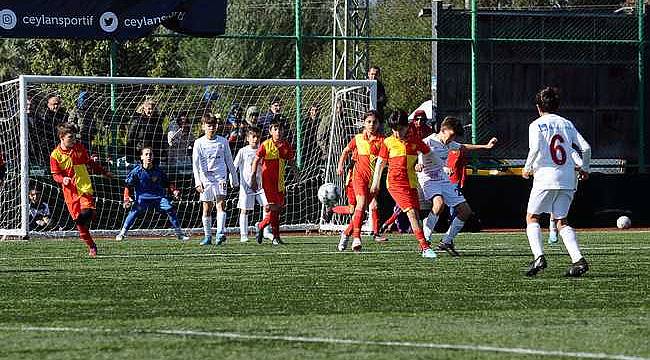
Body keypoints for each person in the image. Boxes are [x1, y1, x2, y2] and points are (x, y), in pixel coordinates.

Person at [522, 86, 590, 277]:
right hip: (567, 178)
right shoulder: (567, 123)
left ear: (538, 107)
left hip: (545, 177)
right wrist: (585, 168)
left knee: (532, 217)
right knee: (561, 220)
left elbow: (534, 148)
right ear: (557, 105)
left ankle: (539, 256)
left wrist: (527, 168)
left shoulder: (535, 125)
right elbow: (586, 147)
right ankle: (578, 260)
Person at [418, 117, 497, 256]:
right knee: (439, 204)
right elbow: (415, 153)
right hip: (428, 178)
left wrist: (486, 146)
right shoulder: (428, 141)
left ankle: (447, 241)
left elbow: (463, 147)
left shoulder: (450, 144)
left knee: (465, 211)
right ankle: (426, 238)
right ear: (443, 130)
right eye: (451, 134)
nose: (452, 138)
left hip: (443, 178)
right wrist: (417, 164)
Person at [370, 110, 436, 260]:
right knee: (412, 213)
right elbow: (381, 163)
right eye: (394, 130)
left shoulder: (415, 140)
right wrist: (375, 182)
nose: (397, 133)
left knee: (416, 215)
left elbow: (427, 153)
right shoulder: (388, 142)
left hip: (411, 183)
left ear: (407, 126)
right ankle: (425, 248)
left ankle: (349, 234)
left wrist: (420, 163)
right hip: (395, 184)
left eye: (400, 129)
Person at [50, 122, 113, 257]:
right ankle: (91, 246)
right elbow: (55, 175)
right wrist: (63, 179)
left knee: (86, 213)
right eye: (70, 137)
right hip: (70, 193)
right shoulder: (55, 155)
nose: (73, 140)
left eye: (74, 137)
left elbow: (90, 162)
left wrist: (104, 172)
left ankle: (91, 212)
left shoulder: (79, 148)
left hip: (84, 188)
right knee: (80, 223)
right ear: (62, 137)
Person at [116, 147, 190, 241]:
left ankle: (180, 234)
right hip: (142, 198)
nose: (149, 156)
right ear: (141, 157)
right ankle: (122, 233)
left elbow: (167, 183)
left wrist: (174, 190)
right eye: (146, 154)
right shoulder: (136, 171)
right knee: (134, 211)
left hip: (159, 197)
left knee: (170, 209)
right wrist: (126, 198)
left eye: (150, 154)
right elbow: (127, 185)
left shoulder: (158, 171)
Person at [336, 110, 385, 252]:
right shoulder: (358, 138)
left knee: (360, 209)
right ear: (364, 123)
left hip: (373, 180)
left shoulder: (382, 141)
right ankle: (357, 238)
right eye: (369, 122)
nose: (371, 124)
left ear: (378, 124)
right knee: (361, 204)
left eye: (374, 122)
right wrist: (340, 166)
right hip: (357, 177)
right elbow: (345, 151)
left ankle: (346, 234)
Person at [193, 114, 239, 246]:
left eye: (213, 126)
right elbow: (195, 165)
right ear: (203, 127)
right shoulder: (199, 143)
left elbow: (229, 161)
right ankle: (207, 236)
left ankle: (220, 232)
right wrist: (197, 181)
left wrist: (234, 178)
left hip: (220, 177)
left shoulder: (222, 141)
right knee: (206, 207)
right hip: (205, 178)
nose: (211, 128)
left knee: (221, 204)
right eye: (209, 126)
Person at [251, 120, 295, 245]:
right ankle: (276, 237)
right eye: (275, 129)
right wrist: (253, 177)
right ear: (270, 131)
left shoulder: (286, 145)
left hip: (280, 182)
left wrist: (297, 175)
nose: (278, 132)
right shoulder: (265, 145)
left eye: (280, 129)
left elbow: (291, 161)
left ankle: (261, 225)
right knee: (274, 208)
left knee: (278, 209)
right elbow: (256, 161)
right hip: (268, 182)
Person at [233, 127, 268, 243]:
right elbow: (235, 166)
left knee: (267, 206)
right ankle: (244, 234)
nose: (256, 139)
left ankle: (265, 230)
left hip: (260, 185)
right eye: (253, 137)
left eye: (258, 137)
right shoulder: (243, 151)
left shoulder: (262, 150)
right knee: (245, 210)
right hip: (246, 186)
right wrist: (233, 179)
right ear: (247, 138)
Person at [126, 99, 166, 163]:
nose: (151, 111)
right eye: (149, 109)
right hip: (140, 153)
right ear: (144, 109)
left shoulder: (158, 122)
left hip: (154, 154)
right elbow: (130, 138)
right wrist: (130, 155)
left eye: (153, 109)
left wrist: (162, 151)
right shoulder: (137, 121)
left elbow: (160, 138)